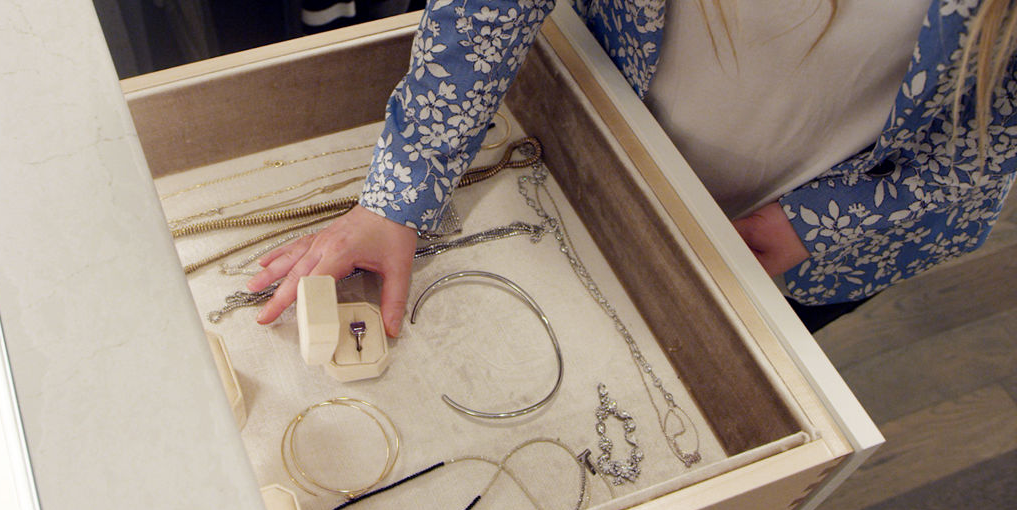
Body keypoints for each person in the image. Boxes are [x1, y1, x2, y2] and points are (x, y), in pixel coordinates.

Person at [249, 0, 1017, 335]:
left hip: (806, 252)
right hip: (600, 149)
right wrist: (400, 189)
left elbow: (988, 148)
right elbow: (488, 10)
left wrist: (820, 224)